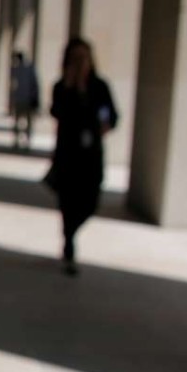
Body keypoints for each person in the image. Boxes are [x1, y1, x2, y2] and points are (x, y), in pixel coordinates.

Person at [45, 37, 118, 276]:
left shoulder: (100, 87)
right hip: (68, 154)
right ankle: (69, 241)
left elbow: (112, 116)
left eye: (83, 57)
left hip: (91, 155)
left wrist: (102, 127)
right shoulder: (61, 87)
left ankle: (71, 233)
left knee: (90, 202)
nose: (80, 62)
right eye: (75, 58)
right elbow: (56, 112)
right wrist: (70, 86)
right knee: (68, 202)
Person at [9, 52, 40, 150]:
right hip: (25, 99)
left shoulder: (17, 69)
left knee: (20, 121)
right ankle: (24, 141)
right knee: (26, 122)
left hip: (23, 99)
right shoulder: (28, 69)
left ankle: (19, 141)